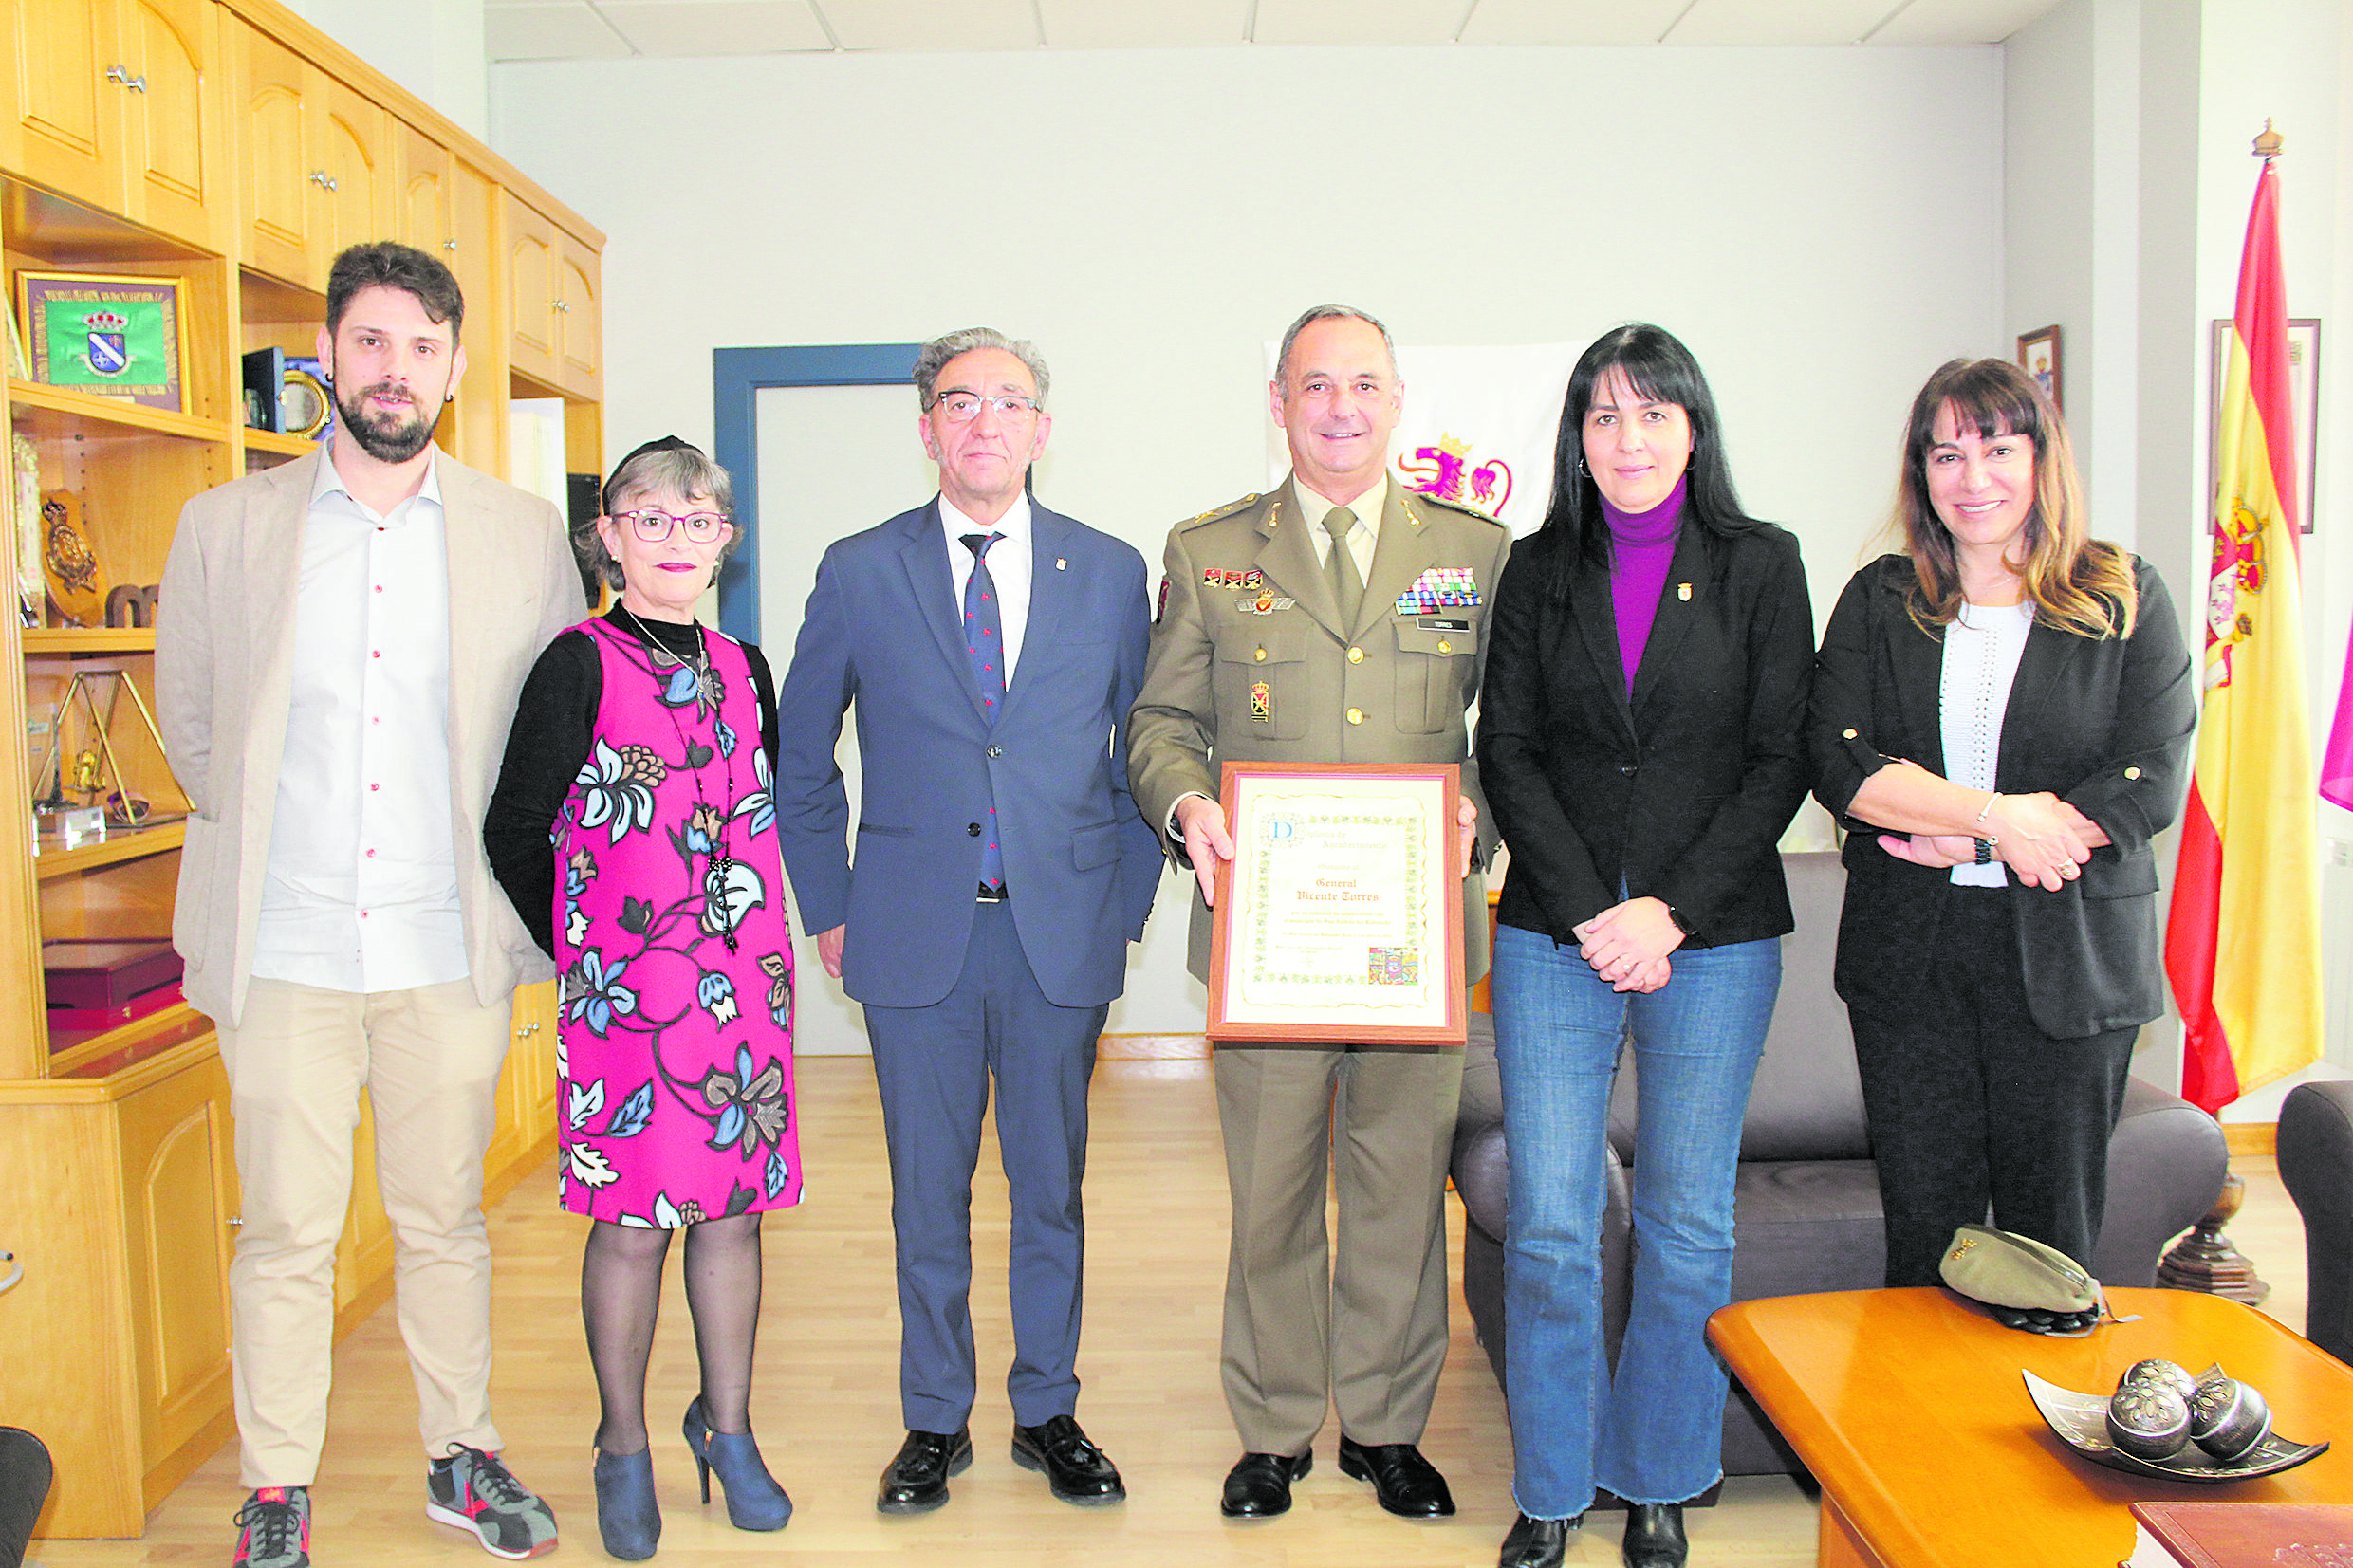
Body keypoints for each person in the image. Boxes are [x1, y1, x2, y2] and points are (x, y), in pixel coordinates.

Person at [156, 241, 579, 1568]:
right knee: (283, 1227)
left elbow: (554, 726)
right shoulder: (227, 525)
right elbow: (192, 723)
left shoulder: (519, 532)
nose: (395, 368)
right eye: (372, 341)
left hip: (439, 941)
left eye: (421, 346)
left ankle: (465, 1454)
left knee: (443, 1217)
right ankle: (276, 1483)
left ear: (451, 367)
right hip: (281, 946)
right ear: (327, 356)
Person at [1128, 304, 1507, 1522]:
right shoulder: (1207, 552)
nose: (1338, 407)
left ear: (1397, 401)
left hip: (1414, 937)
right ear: (1277, 402)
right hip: (1266, 939)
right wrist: (1189, 813)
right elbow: (1161, 726)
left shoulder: (1476, 550)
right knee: (1273, 1189)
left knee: (1399, 1187)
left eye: (1361, 385)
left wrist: (1478, 819)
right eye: (1313, 386)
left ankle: (1388, 1428)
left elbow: (1516, 734)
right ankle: (1277, 1426)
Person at [773, 328, 1161, 1517]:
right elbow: (800, 755)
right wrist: (830, 908)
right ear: (927, 427)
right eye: (958, 403)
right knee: (924, 1190)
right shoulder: (857, 568)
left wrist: (1125, 906)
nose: (983, 422)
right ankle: (934, 1417)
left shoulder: (1107, 570)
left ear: (1042, 428)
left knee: (1051, 1189)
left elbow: (1145, 749)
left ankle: (1047, 1409)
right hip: (910, 938)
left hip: (1057, 933)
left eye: (1008, 402)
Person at [1474, 324, 1813, 1568]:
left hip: (1712, 933)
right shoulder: (1536, 567)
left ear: (1693, 428)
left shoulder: (1761, 565)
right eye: (1604, 416)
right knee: (1557, 1222)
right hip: (1556, 933)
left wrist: (1665, 906)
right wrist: (1586, 908)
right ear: (1578, 437)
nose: (1628, 439)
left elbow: (1782, 754)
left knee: (1686, 1222)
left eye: (1652, 413)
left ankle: (1662, 1472)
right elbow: (1506, 746)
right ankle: (1556, 1484)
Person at [1807, 357, 2194, 1297]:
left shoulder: (2121, 596)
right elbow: (1836, 762)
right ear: (1919, 474)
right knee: (1923, 1245)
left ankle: (2035, 1435)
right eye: (1944, 455)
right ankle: (1913, 1447)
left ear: (2038, 458)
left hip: (2066, 965)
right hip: (1913, 965)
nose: (1970, 478)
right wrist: (1993, 821)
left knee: (2050, 1249)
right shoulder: (1879, 600)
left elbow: (2148, 781)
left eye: (1995, 448)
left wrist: (1959, 833)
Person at [483, 437, 799, 1559]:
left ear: (725, 541)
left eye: (698, 519)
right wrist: (586, 970)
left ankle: (726, 1428)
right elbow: (515, 829)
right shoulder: (576, 663)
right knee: (628, 1228)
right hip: (627, 1001)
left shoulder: (748, 669)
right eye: (649, 519)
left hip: (741, 995)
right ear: (608, 536)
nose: (675, 539)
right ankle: (622, 1444)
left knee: (731, 1213)